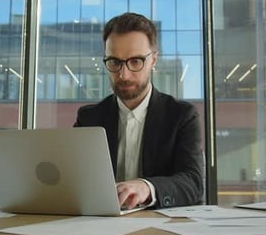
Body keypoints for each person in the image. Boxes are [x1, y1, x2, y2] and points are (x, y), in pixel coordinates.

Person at [74, 12, 204, 209]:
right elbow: (72, 178)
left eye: (135, 61)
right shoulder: (89, 118)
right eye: (114, 62)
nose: (123, 74)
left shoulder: (181, 115)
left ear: (153, 60)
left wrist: (146, 187)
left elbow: (193, 182)